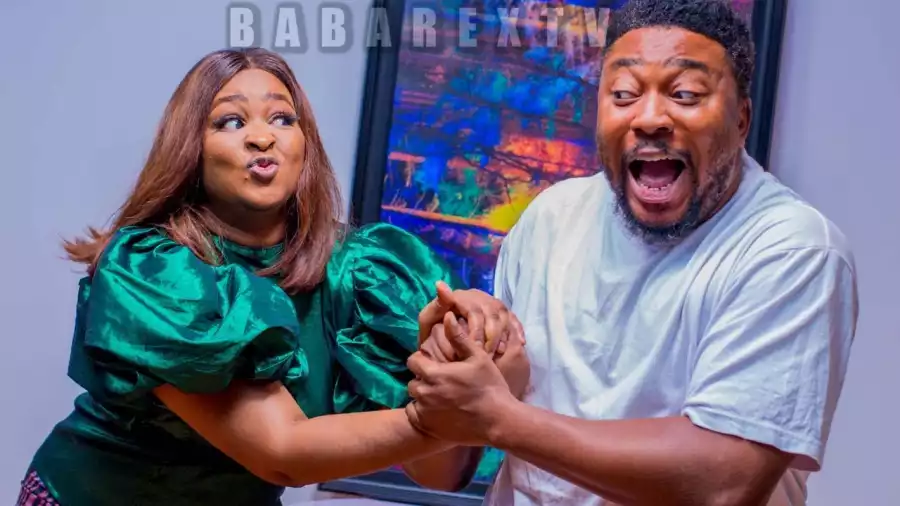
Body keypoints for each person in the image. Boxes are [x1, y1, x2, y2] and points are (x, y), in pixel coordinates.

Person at [18, 47, 529, 506]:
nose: (262, 137)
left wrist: (462, 356)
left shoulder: (359, 273)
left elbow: (440, 472)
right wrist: (472, 413)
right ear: (192, 148)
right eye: (230, 121)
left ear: (305, 144)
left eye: (283, 118)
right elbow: (281, 453)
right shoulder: (153, 271)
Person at [403, 1, 859, 505]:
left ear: (741, 119)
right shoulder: (553, 216)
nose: (650, 118)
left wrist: (500, 418)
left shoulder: (791, 249)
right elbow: (440, 471)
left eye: (685, 94)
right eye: (623, 94)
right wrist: (445, 365)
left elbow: (723, 485)